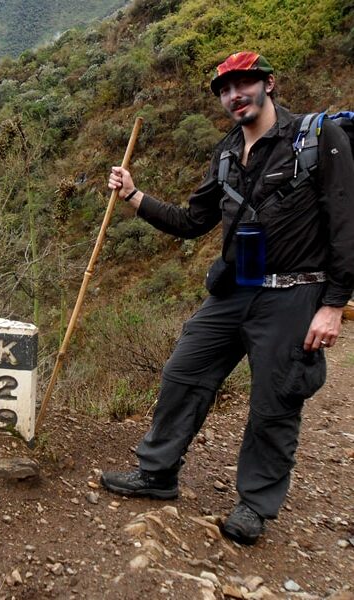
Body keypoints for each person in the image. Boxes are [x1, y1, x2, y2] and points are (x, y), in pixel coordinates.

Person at [101, 51, 354, 545]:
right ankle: (158, 474)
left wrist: (334, 303)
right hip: (233, 290)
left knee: (274, 401)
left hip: (294, 294)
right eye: (225, 89)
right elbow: (192, 222)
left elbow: (347, 224)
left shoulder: (320, 139)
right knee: (183, 372)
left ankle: (255, 505)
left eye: (243, 84)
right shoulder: (225, 153)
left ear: (269, 84)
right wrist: (134, 196)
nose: (234, 95)